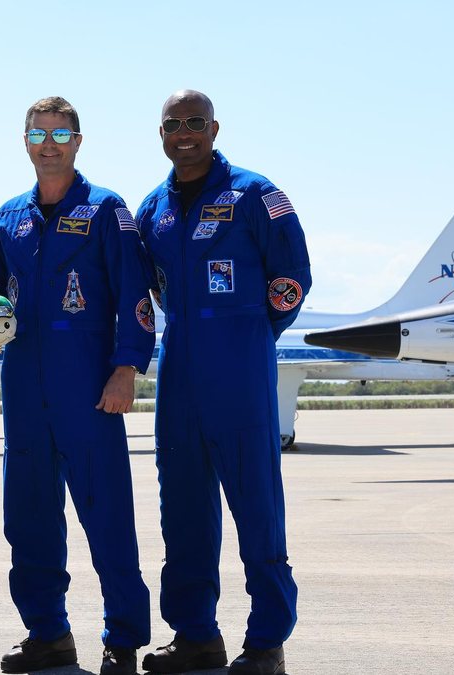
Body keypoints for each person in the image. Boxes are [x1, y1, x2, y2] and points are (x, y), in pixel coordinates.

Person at [0, 96, 155, 675]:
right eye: (37, 134)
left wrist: (126, 367)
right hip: (24, 382)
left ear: (78, 141)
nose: (48, 144)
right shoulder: (9, 216)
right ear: (24, 142)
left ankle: (123, 638)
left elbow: (136, 293)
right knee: (27, 516)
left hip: (90, 384)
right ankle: (47, 633)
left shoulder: (106, 210)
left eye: (58, 133)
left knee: (106, 513)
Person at [135, 90, 311, 675]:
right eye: (172, 124)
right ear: (161, 133)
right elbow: (153, 288)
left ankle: (266, 642)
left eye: (194, 122)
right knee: (182, 508)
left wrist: (252, 334)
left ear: (214, 128)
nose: (184, 133)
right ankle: (195, 636)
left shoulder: (257, 195)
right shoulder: (152, 208)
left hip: (240, 365)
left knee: (256, 506)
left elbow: (292, 278)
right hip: (179, 366)